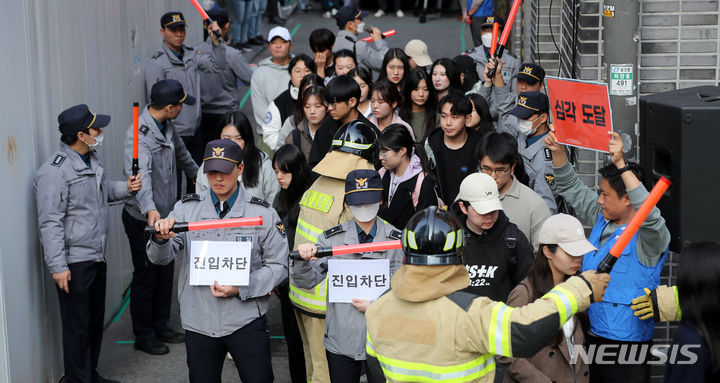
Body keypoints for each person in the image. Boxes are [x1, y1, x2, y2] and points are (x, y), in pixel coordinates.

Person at [364, 206, 611, 383]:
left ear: (406, 256)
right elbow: (524, 331)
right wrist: (580, 288)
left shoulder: (377, 310)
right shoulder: (470, 314)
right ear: (459, 256)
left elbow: (376, 373)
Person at [149, 139, 288, 383]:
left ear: (240, 169)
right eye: (211, 171)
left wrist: (242, 286)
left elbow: (279, 265)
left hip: (245, 320)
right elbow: (160, 258)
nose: (218, 179)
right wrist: (160, 240)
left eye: (224, 171)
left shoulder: (262, 214)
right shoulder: (185, 210)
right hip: (199, 321)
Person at [545, 129, 671, 383]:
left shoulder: (651, 237)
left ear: (627, 199)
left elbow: (649, 215)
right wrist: (558, 153)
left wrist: (621, 165)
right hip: (591, 334)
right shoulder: (603, 218)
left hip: (627, 348)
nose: (599, 200)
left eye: (605, 194)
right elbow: (571, 188)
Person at [35, 105, 140, 383]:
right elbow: (50, 222)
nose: (100, 132)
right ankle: (77, 378)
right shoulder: (54, 172)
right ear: (82, 135)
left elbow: (102, 192)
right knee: (77, 327)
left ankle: (88, 375)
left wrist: (126, 188)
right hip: (74, 262)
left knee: (93, 323)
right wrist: (58, 266)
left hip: (96, 256)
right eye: (96, 128)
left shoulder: (91, 160)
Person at [294, 169, 403, 382]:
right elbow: (307, 281)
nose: (363, 208)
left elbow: (405, 291)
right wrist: (302, 261)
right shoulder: (330, 240)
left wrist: (377, 305)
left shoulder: (397, 240)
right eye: (357, 202)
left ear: (381, 200)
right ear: (347, 202)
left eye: (368, 201)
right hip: (341, 339)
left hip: (383, 340)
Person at [290, 122, 378, 383]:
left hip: (301, 292)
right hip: (326, 300)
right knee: (325, 375)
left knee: (312, 367)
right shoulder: (352, 193)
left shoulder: (318, 183)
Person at [122, 79, 199, 355]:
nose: (182, 109)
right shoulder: (138, 137)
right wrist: (150, 211)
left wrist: (200, 177)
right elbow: (140, 179)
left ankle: (161, 324)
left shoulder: (167, 126)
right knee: (146, 275)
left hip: (166, 215)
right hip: (144, 218)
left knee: (166, 269)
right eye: (180, 104)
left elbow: (183, 155)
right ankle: (144, 334)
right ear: (170, 107)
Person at [498, 214, 596, 383]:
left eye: (580, 252)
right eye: (570, 252)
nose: (577, 258)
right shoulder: (524, 293)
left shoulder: (577, 287)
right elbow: (504, 349)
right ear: (547, 251)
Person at [145, 11, 225, 190]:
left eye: (181, 29)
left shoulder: (192, 55)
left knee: (197, 181)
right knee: (171, 184)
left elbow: (217, 66)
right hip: (172, 133)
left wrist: (217, 41)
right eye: (173, 30)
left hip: (196, 130)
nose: (179, 34)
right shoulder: (156, 64)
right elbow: (154, 103)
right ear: (162, 31)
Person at [451, 172, 533, 300]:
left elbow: (529, 287)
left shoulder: (513, 239)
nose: (489, 215)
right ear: (463, 207)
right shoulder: (448, 239)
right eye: (481, 210)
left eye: (493, 209)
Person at [273, 144, 313, 383]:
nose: (279, 177)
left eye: (284, 172)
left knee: (310, 345)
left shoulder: (310, 198)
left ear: (297, 170)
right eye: (276, 171)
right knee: (294, 344)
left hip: (309, 283)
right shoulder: (280, 197)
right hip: (287, 284)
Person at [198, 8, 254, 164]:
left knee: (206, 161)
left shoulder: (194, 53)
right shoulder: (232, 54)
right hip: (227, 116)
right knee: (229, 161)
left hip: (201, 117)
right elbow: (250, 79)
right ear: (227, 26)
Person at [477, 132, 550, 251]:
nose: (492, 176)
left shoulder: (534, 205)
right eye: (486, 169)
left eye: (500, 170)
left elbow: (542, 257)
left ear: (512, 167)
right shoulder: (467, 195)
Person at [196, 112, 280, 203]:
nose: (233, 144)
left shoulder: (263, 165)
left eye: (239, 138)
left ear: (247, 139)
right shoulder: (208, 165)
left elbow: (273, 204)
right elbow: (201, 204)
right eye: (226, 139)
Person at [421, 92, 481, 203]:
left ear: (467, 119)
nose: (448, 123)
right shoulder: (429, 145)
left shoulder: (480, 146)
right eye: (444, 116)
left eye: (454, 117)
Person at [308, 75, 378, 169]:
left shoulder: (370, 132)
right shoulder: (326, 127)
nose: (329, 108)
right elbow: (314, 163)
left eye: (333, 104)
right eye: (328, 103)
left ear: (352, 102)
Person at [377, 125, 438, 229]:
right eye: (380, 151)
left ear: (402, 151)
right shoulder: (382, 174)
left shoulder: (422, 183)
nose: (380, 157)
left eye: (384, 152)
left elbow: (426, 227)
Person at [507, 91, 558, 213]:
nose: (521, 121)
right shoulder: (526, 134)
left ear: (543, 118)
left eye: (526, 117)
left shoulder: (545, 160)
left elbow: (547, 206)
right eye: (520, 117)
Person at [262, 54, 316, 150]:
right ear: (290, 75)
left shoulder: (324, 97)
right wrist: (286, 151)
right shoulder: (279, 103)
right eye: (298, 71)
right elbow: (270, 133)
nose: (302, 75)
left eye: (307, 71)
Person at [250, 26, 292, 137]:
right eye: (274, 43)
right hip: (268, 136)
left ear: (290, 46)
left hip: (295, 136)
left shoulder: (300, 69)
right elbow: (260, 110)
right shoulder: (259, 73)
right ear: (269, 46)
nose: (278, 46)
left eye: (283, 42)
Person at [484, 62, 545, 137]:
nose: (523, 87)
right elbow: (481, 110)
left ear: (541, 85)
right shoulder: (509, 101)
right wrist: (487, 83)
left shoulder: (548, 110)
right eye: (520, 81)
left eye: (529, 83)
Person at [465, 16, 520, 86]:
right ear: (480, 32)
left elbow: (515, 92)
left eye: (494, 30)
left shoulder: (512, 61)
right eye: (485, 30)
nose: (489, 34)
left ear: (502, 33)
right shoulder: (469, 57)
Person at [333, 6, 389, 74]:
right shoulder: (359, 46)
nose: (362, 22)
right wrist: (379, 40)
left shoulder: (332, 42)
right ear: (350, 24)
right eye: (360, 19)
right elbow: (386, 63)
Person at [285, 85, 328, 161]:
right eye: (307, 107)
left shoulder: (336, 133)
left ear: (327, 107)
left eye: (318, 106)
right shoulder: (294, 138)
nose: (312, 111)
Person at [399, 69, 438, 142]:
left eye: (425, 89)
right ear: (408, 90)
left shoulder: (438, 116)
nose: (421, 94)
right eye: (416, 89)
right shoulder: (398, 116)